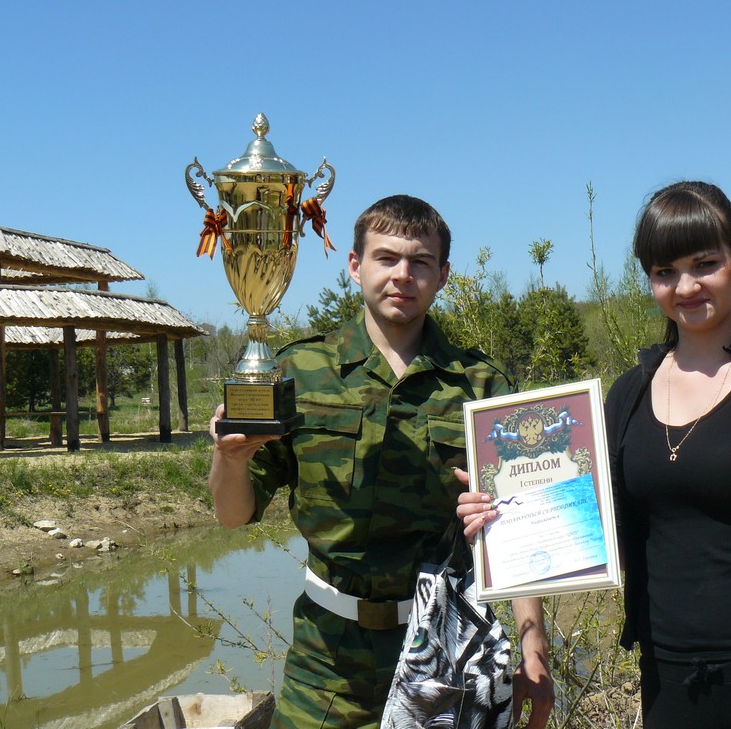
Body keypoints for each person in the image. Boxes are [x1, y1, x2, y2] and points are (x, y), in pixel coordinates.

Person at [460, 181, 731, 728]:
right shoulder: (625, 396)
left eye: (705, 263)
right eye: (663, 272)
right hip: (670, 682)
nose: (686, 286)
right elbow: (594, 535)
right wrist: (501, 520)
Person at [210, 195, 554, 729]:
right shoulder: (297, 372)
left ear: (442, 275)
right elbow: (233, 514)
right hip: (325, 659)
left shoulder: (482, 387)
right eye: (386, 258)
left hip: (444, 654)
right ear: (355, 266)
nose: (402, 275)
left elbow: (517, 536)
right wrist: (228, 459)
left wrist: (533, 645)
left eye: (419, 262)